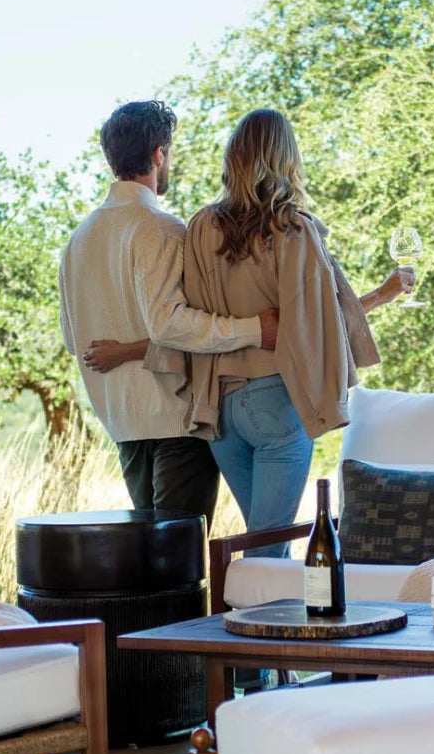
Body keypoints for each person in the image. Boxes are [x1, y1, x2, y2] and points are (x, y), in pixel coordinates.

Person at [85, 108, 412, 557]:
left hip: (220, 410)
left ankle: (236, 618)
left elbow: (187, 318)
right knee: (268, 555)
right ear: (286, 159)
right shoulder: (294, 227)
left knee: (261, 543)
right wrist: (380, 296)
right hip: (274, 402)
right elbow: (315, 321)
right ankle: (250, 623)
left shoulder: (200, 226)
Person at [60, 100, 279, 530]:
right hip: (177, 417)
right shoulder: (160, 228)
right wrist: (254, 329)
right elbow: (171, 324)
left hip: (122, 424)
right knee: (178, 566)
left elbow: (74, 341)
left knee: (150, 561)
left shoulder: (78, 240)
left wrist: (125, 349)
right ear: (159, 153)